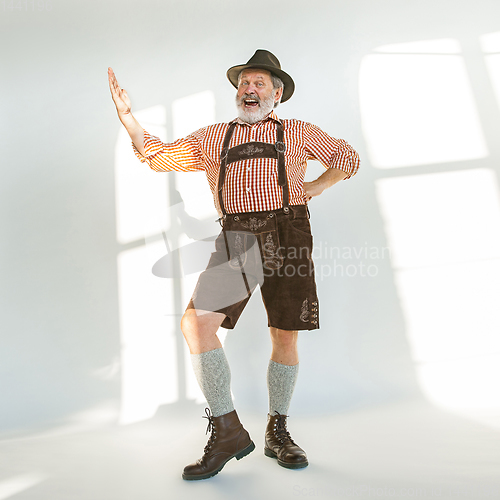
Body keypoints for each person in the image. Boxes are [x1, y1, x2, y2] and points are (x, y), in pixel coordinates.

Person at [108, 49, 360, 481]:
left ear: (277, 94)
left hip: (290, 231)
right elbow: (159, 155)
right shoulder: (213, 137)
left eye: (259, 83)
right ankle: (226, 429)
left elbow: (347, 158)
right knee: (196, 323)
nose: (249, 89)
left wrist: (314, 187)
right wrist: (129, 119)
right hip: (239, 239)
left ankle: (277, 430)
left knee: (285, 334)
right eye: (244, 82)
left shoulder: (298, 131)